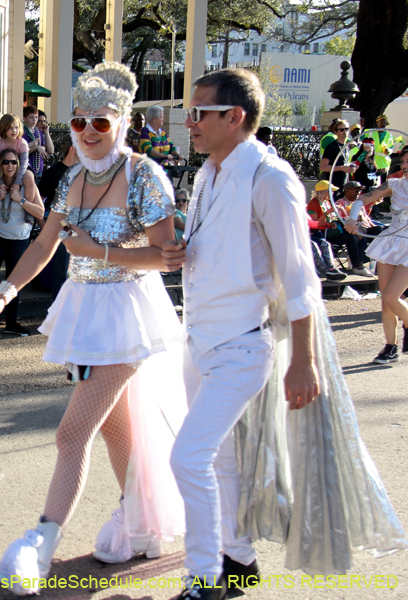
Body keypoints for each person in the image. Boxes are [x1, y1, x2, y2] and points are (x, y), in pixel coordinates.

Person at [161, 68, 407, 600]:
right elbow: (226, 249)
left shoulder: (271, 178)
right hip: (198, 338)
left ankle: (203, 580)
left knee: (188, 457)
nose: (190, 122)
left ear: (235, 117)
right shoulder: (208, 173)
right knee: (221, 458)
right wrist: (182, 249)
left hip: (244, 344)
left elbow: (300, 278)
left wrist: (304, 360)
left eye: (199, 112)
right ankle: (239, 559)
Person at [0, 62, 187, 596]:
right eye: (78, 123)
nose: (88, 132)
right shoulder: (72, 176)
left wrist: (98, 250)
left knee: (71, 432)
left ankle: (38, 544)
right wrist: (3, 294)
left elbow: (167, 257)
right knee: (118, 429)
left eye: (100, 122)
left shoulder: (144, 174)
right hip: (85, 312)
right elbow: (45, 243)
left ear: (122, 121)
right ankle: (137, 518)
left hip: (127, 314)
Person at [346, 151, 408, 363]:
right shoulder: (394, 184)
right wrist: (352, 219)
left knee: (392, 296)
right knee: (386, 301)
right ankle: (390, 347)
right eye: (404, 160)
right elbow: (361, 200)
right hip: (392, 241)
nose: (405, 163)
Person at [0, 148, 45, 339]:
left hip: (19, 240)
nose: (10, 166)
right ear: (0, 165)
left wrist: (22, 199)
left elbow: (40, 212)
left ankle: (11, 323)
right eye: (6, 162)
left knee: (13, 283)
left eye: (13, 162)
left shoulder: (26, 183)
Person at [37, 145, 79, 300]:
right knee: (60, 275)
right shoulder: (52, 173)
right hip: (59, 231)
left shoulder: (83, 174)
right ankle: (58, 313)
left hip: (79, 231)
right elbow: (38, 204)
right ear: (72, 149)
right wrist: (45, 227)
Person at [307, 181, 374, 277]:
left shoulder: (327, 202)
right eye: (330, 191)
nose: (332, 194)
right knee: (351, 237)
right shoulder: (313, 203)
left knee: (357, 233)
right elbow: (315, 223)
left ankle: (359, 263)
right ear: (323, 192)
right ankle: (357, 266)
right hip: (323, 232)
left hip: (333, 229)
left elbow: (332, 218)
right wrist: (328, 214)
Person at [0, 114, 30, 192]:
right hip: (4, 170)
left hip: (20, 169)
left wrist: (17, 183)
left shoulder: (22, 143)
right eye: (11, 128)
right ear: (4, 128)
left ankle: (28, 201)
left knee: (30, 178)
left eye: (16, 127)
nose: (14, 130)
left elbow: (24, 164)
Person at [319, 119, 357, 193]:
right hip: (333, 186)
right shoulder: (331, 146)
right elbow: (323, 167)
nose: (345, 132)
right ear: (336, 132)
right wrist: (341, 168)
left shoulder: (346, 146)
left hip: (343, 185)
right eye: (342, 130)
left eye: (346, 129)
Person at [22, 106, 48, 182]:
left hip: (39, 167)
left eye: (36, 117)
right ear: (25, 118)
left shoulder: (39, 132)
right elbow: (20, 151)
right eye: (31, 117)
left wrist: (43, 148)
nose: (34, 120)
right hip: (27, 167)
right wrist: (34, 147)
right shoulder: (22, 132)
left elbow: (43, 146)